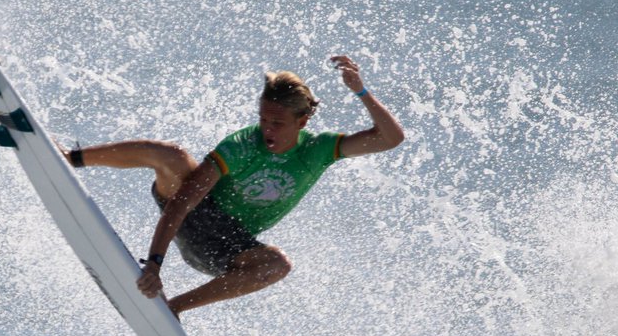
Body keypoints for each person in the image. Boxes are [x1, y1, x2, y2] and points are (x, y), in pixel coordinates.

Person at [67, 55, 405, 316]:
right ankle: (71, 158)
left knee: (277, 265)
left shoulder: (319, 150)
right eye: (263, 119)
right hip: (192, 213)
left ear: (302, 121)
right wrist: (154, 263)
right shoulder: (242, 144)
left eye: (277, 123)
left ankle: (174, 308)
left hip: (225, 246)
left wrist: (360, 91)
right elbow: (183, 202)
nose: (267, 129)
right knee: (170, 155)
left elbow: (390, 138)